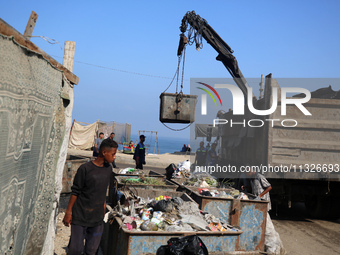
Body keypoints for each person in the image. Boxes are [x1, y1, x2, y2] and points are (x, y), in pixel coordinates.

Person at [63, 139, 118, 255]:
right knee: (75, 250)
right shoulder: (85, 169)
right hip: (80, 216)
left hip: (97, 218)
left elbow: (102, 190)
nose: (114, 157)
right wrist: (68, 212)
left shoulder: (108, 169)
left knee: (91, 250)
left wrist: (103, 210)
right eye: (113, 154)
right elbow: (75, 192)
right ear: (104, 152)